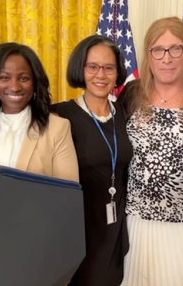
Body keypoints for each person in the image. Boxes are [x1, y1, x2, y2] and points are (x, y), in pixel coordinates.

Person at [118, 17, 183, 286]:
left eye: (176, 48)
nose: (167, 58)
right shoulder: (132, 93)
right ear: (148, 55)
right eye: (157, 50)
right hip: (137, 220)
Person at [51, 35, 131, 286]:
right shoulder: (59, 114)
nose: (101, 74)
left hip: (116, 228)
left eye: (109, 67)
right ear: (81, 69)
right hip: (78, 229)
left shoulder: (125, 114)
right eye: (92, 66)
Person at [0, 42, 78, 181]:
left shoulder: (57, 128)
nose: (15, 87)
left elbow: (68, 193)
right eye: (4, 77)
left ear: (35, 83)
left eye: (23, 78)